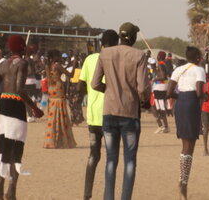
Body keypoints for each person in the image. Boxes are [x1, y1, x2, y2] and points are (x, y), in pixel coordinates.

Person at [92, 22, 151, 200]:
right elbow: (142, 88)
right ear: (133, 38)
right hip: (129, 113)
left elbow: (95, 83)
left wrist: (110, 91)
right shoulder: (139, 55)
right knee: (130, 160)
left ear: (120, 36)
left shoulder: (105, 54)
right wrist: (144, 101)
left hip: (109, 112)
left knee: (111, 159)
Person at [0, 35, 44, 199]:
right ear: (22, 47)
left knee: (2, 149)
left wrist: (3, 98)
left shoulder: (2, 64)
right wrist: (35, 108)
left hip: (2, 107)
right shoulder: (22, 63)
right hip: (15, 107)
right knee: (16, 149)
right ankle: (12, 191)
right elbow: (19, 89)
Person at [78, 30, 119, 200]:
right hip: (111, 115)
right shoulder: (117, 59)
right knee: (111, 158)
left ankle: (87, 195)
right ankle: (107, 196)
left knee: (93, 156)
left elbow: (80, 86)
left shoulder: (89, 59)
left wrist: (89, 95)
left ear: (101, 42)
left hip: (93, 116)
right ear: (116, 43)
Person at [166, 46, 206, 200]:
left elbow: (169, 93)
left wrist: (182, 97)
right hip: (192, 104)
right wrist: (206, 95)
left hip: (181, 103)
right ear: (197, 58)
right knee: (189, 146)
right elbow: (199, 93)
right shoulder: (199, 70)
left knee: (186, 144)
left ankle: (183, 180)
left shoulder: (178, 69)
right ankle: (183, 182)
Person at [43, 49, 77, 149]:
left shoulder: (48, 65)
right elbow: (70, 75)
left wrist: (68, 65)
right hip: (58, 88)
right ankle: (61, 139)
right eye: (58, 56)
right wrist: (74, 64)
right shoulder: (57, 65)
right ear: (55, 57)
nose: (60, 57)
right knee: (61, 112)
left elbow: (57, 72)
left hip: (51, 89)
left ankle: (51, 139)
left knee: (53, 113)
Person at [152, 51, 171, 133]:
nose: (157, 57)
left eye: (158, 56)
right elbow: (161, 74)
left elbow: (163, 76)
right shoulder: (163, 64)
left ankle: (165, 126)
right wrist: (155, 70)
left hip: (160, 87)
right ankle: (164, 126)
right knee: (159, 107)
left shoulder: (161, 64)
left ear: (159, 56)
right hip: (161, 87)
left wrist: (154, 79)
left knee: (160, 108)